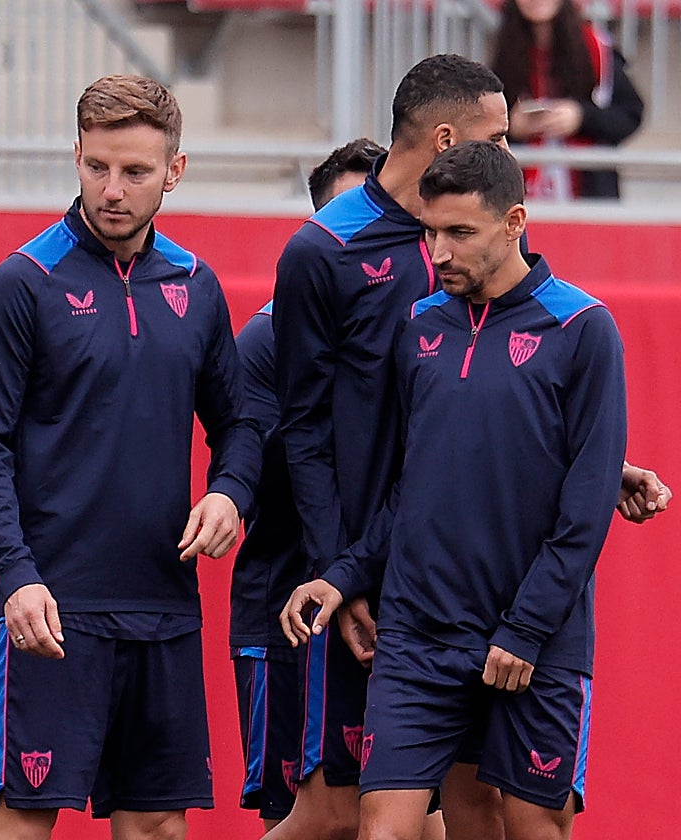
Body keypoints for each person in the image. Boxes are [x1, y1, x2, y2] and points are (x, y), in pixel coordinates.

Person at [263, 53, 669, 840]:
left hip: (530, 632)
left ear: (513, 223)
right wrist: (338, 572)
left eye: (458, 235)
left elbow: (572, 498)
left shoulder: (582, 328)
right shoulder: (408, 316)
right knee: (363, 821)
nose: (439, 253)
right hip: (411, 623)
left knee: (510, 822)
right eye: (433, 233)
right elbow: (387, 469)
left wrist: (526, 625)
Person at [0, 74, 259, 840]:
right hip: (53, 606)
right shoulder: (24, 283)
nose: (112, 190)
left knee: (157, 825)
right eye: (97, 167)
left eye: (135, 172)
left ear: (175, 172)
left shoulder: (197, 285)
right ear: (76, 158)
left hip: (165, 604)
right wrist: (15, 575)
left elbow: (242, 426)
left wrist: (229, 494)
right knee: (23, 822)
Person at [230, 136, 385, 832]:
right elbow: (262, 465)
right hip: (288, 615)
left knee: (414, 812)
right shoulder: (265, 343)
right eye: (340, 220)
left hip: (392, 611)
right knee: (310, 818)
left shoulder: (421, 331)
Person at [491, 0, 644, 200]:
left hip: (588, 190)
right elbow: (482, 128)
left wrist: (581, 117)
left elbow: (630, 115)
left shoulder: (597, 49)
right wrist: (511, 127)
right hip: (522, 194)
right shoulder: (505, 52)